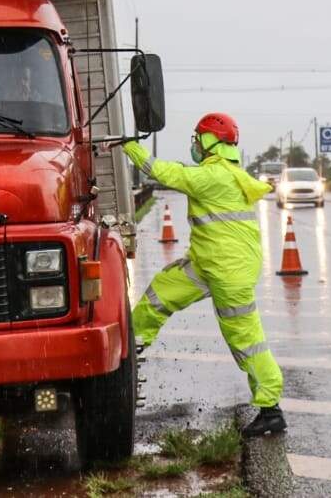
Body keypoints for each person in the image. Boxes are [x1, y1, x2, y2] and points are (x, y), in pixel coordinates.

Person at [114, 112, 287, 437]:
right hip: (210, 263)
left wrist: (132, 149)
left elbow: (170, 173)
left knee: (246, 340)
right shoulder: (223, 172)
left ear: (210, 142)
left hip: (228, 271)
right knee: (163, 290)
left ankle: (271, 409)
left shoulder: (216, 176)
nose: (193, 144)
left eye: (197, 138)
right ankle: (133, 344)